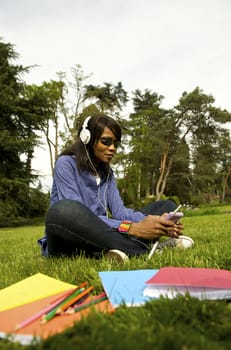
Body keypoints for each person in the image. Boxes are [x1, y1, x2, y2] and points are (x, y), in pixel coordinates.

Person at [38, 114, 194, 262]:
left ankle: (115, 250)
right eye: (106, 141)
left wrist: (157, 222)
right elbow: (76, 216)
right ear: (87, 139)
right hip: (69, 237)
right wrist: (133, 228)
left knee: (166, 206)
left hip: (103, 232)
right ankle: (145, 248)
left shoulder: (107, 173)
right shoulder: (66, 163)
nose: (112, 148)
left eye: (115, 143)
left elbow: (120, 212)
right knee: (64, 210)